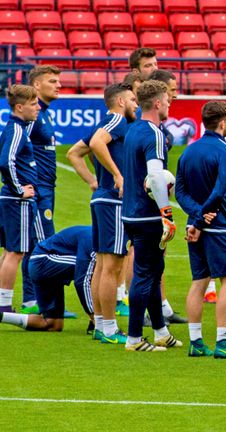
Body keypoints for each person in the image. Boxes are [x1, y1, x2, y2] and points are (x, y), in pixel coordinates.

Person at [175, 101, 226, 360]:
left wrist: (195, 217)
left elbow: (180, 191)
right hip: (221, 226)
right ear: (223, 122)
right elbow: (220, 190)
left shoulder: (188, 152)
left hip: (196, 226)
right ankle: (223, 341)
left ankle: (196, 341)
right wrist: (201, 219)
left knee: (199, 282)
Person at [121, 79, 182, 352]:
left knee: (154, 272)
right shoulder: (154, 134)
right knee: (145, 274)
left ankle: (160, 331)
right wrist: (166, 213)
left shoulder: (133, 130)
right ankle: (134, 338)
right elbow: (156, 177)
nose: (170, 104)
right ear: (157, 103)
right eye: (167, 99)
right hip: (147, 216)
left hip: (131, 212)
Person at [80, 83, 138, 344]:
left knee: (104, 265)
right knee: (112, 266)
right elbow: (96, 143)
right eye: (133, 99)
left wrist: (100, 177)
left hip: (102, 198)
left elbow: (81, 151)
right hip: (113, 201)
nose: (136, 104)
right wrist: (117, 175)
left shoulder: (106, 120)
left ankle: (101, 324)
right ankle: (109, 327)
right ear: (121, 101)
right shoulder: (116, 119)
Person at [21, 65, 62, 315]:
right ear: (36, 86)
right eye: (52, 81)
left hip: (48, 187)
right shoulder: (32, 116)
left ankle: (39, 299)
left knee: (41, 241)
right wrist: (27, 183)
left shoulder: (44, 114)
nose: (58, 85)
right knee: (40, 243)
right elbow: (17, 149)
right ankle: (31, 299)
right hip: (38, 188)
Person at [0, 226, 95, 332]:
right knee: (93, 268)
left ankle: (3, 316)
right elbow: (81, 281)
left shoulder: (98, 236)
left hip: (42, 266)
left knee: (53, 324)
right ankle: (98, 321)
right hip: (43, 261)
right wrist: (94, 315)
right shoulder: (92, 238)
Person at [0, 85, 40, 314]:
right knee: (16, 252)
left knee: (9, 251)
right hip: (17, 201)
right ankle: (4, 305)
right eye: (33, 104)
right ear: (19, 107)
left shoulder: (15, 128)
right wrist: (18, 190)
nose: (37, 108)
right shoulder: (16, 129)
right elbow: (6, 161)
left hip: (10, 199)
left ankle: (2, 301)